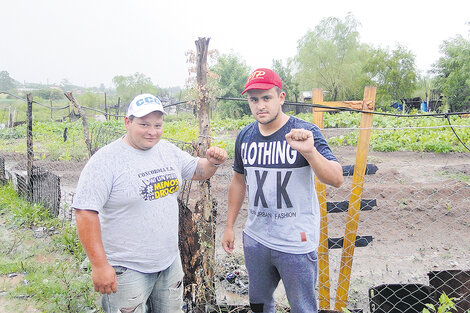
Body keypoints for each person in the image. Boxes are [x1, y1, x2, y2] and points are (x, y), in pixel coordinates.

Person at [73, 93, 227, 313]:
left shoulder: (167, 150)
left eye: (157, 125)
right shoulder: (106, 160)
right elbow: (85, 213)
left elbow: (198, 170)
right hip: (126, 268)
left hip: (168, 262)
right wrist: (99, 265)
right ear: (128, 122)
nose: (152, 131)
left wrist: (213, 162)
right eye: (144, 124)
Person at [221, 69, 344, 313]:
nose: (260, 106)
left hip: (295, 241)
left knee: (303, 307)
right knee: (259, 304)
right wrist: (229, 226)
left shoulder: (304, 131)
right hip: (256, 238)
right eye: (253, 100)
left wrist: (309, 152)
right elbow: (238, 180)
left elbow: (336, 178)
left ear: (281, 97)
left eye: (266, 98)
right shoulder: (245, 136)